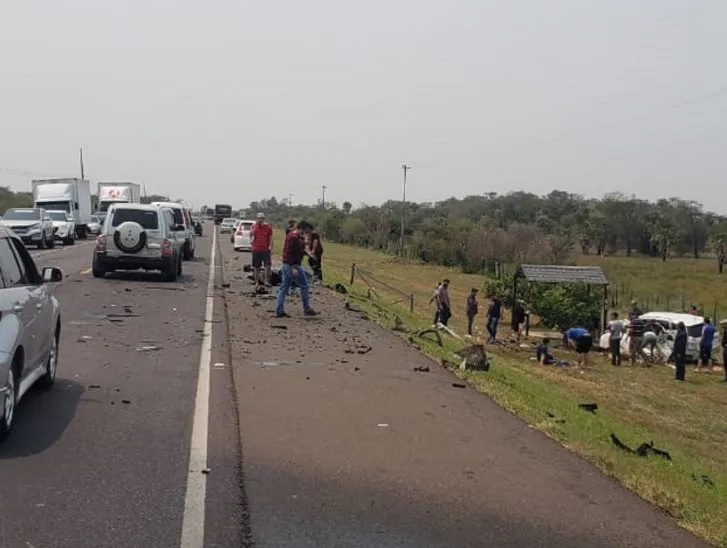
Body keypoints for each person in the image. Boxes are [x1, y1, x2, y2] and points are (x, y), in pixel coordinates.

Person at [275, 220, 317, 318]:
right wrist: (293, 267)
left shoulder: (294, 236)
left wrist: (308, 254)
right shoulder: (293, 238)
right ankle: (306, 308)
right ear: (302, 229)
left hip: (287, 265)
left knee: (284, 288)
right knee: (304, 286)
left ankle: (279, 310)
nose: (307, 234)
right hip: (293, 265)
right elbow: (290, 253)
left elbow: (299, 250)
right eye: (306, 232)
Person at [250, 212, 273, 286]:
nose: (261, 220)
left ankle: (266, 281)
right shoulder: (254, 226)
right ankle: (256, 281)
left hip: (265, 249)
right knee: (257, 266)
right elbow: (251, 236)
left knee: (267, 265)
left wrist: (270, 248)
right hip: (256, 249)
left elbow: (270, 238)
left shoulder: (268, 227)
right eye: (259, 218)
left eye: (262, 218)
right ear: (257, 219)